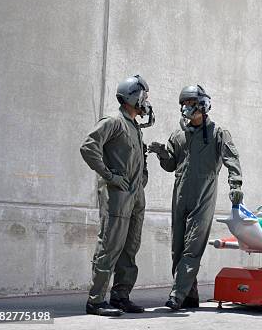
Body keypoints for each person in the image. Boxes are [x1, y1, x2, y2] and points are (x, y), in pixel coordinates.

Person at [148, 84, 243, 310]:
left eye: (190, 104)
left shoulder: (218, 134)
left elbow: (232, 160)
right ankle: (191, 296)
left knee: (192, 247)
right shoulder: (178, 135)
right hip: (180, 196)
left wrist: (235, 184)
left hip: (203, 196)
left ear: (202, 105)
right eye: (183, 104)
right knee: (177, 248)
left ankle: (177, 295)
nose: (186, 108)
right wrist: (162, 153)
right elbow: (171, 165)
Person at [80, 75, 155, 316]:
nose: (146, 101)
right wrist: (109, 176)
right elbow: (88, 147)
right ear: (133, 96)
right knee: (110, 246)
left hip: (135, 197)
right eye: (144, 96)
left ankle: (121, 297)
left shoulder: (134, 126)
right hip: (117, 196)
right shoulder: (114, 121)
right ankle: (95, 301)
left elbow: (138, 157)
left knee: (129, 248)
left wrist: (142, 176)